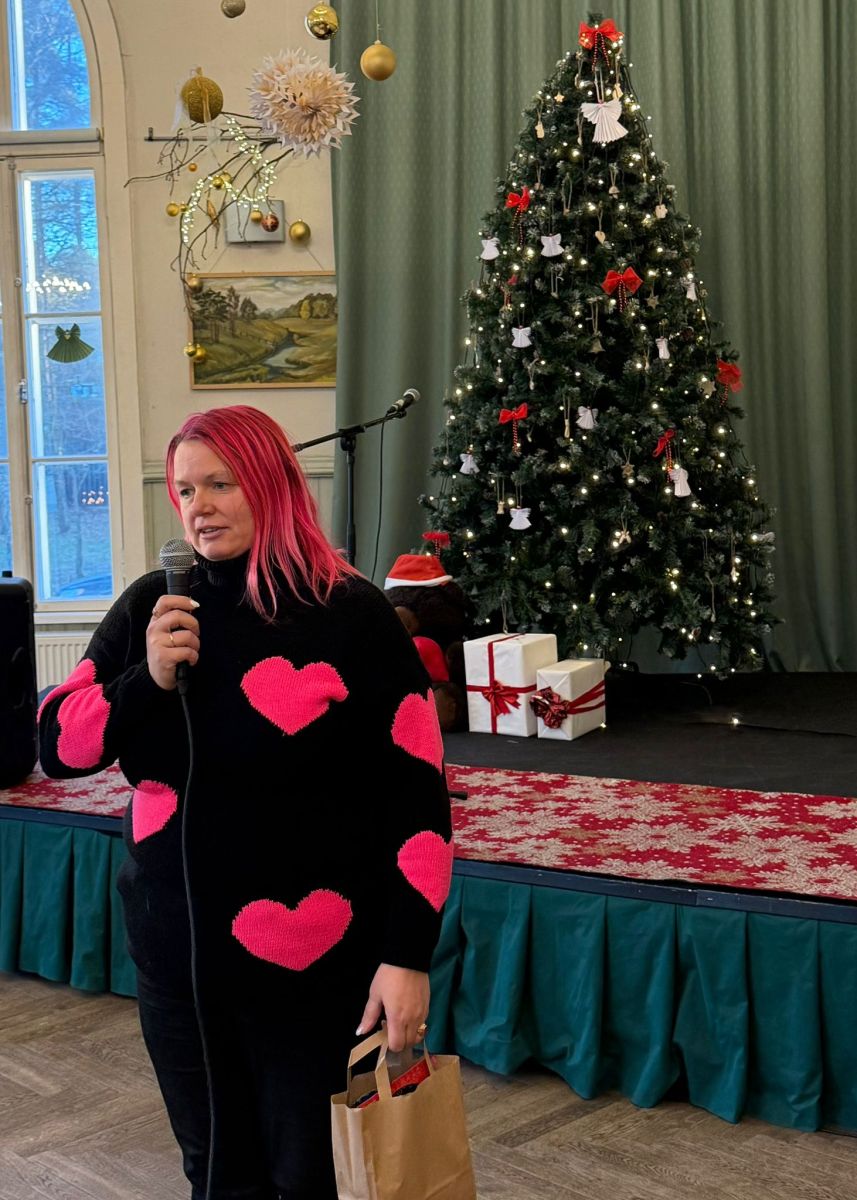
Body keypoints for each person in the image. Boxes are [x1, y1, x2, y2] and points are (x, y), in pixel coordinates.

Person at [38, 405, 453, 1200]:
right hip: (179, 960)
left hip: (317, 963)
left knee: (312, 1176)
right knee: (215, 1172)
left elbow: (416, 800)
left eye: (220, 484)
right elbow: (60, 748)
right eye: (185, 490)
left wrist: (406, 957)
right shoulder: (153, 608)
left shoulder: (351, 613)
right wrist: (145, 680)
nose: (198, 506)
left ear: (270, 484)